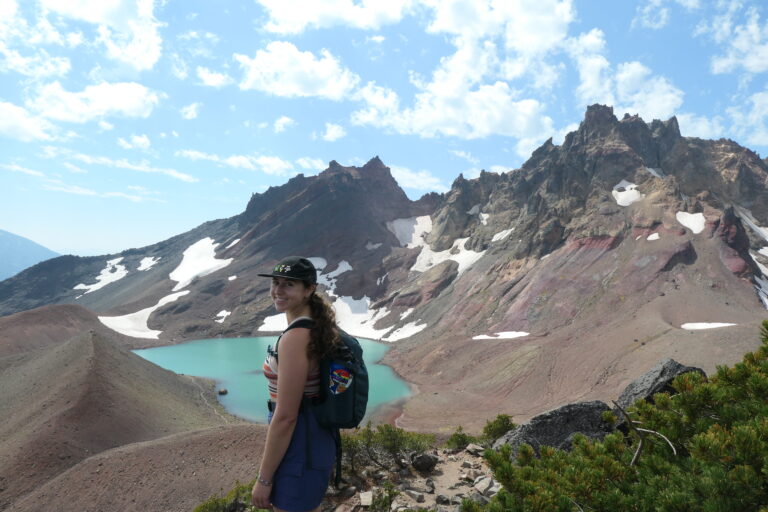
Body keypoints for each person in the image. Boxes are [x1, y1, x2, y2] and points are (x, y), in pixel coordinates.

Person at [252, 256, 339, 512]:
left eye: (289, 284)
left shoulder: (295, 338)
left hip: (299, 444)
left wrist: (264, 479)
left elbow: (287, 416)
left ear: (309, 289)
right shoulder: (316, 327)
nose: (278, 290)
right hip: (315, 441)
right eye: (276, 283)